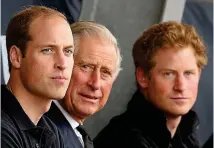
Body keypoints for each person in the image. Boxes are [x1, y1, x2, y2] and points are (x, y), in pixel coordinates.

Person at [94, 21, 208, 148]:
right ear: (142, 77)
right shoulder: (123, 140)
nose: (181, 86)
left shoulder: (185, 136)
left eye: (188, 73)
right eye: (169, 74)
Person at [2, 6, 74, 148]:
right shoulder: (3, 132)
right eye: (47, 50)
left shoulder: (49, 130)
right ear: (16, 57)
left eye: (68, 51)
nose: (62, 63)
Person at [46, 21, 122, 148]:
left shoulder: (76, 134)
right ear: (61, 67)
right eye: (86, 67)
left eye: (105, 72)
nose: (96, 83)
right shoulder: (42, 132)